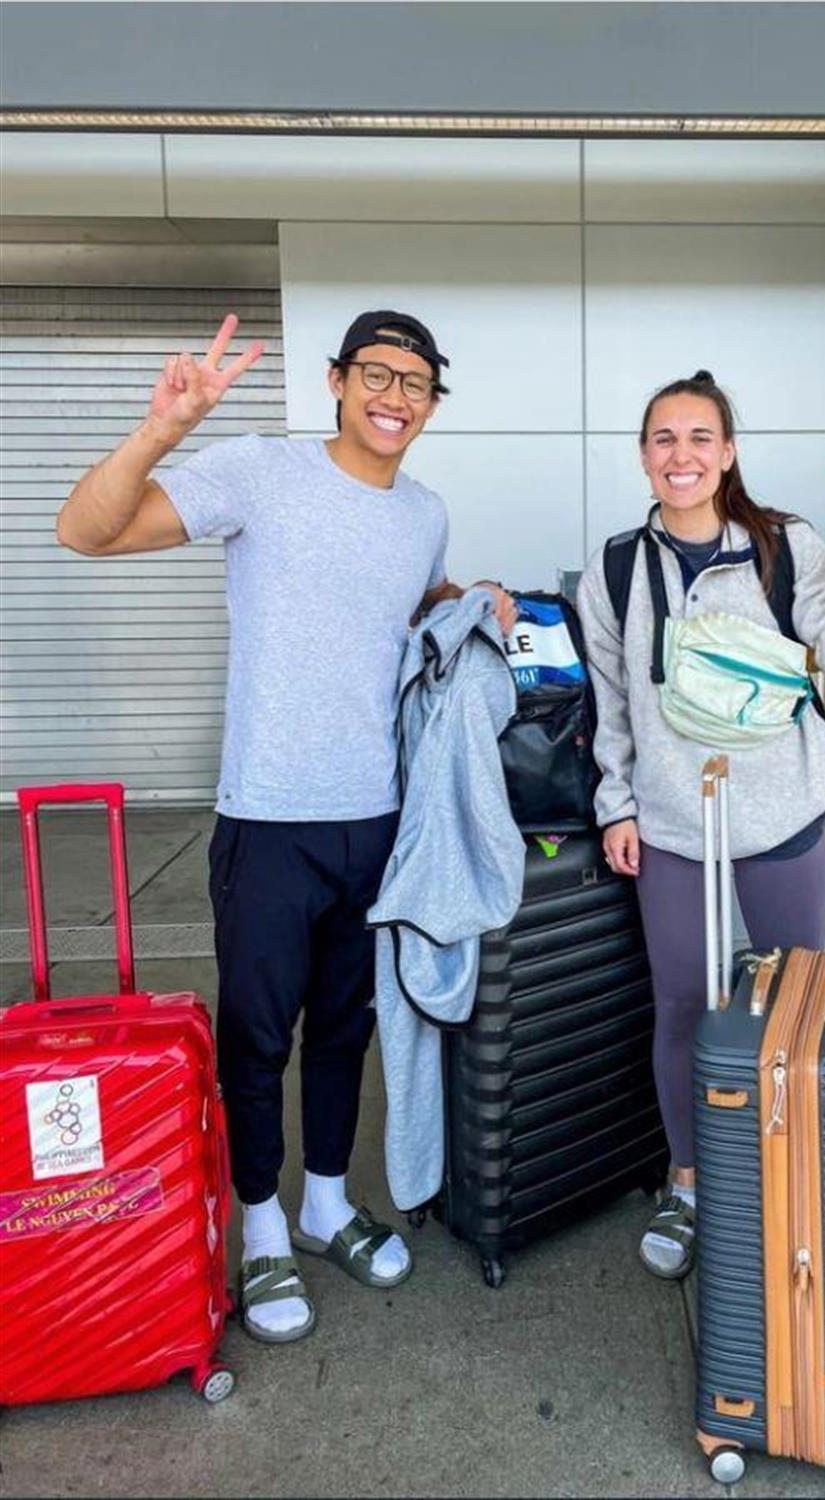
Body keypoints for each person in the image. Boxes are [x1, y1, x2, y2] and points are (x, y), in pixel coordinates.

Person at [56, 309, 516, 1342]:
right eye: (376, 375)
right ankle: (260, 1226)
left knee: (347, 1029)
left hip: (377, 817)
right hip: (268, 817)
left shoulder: (424, 513)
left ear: (432, 405)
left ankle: (325, 1206)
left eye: (415, 384)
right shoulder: (261, 471)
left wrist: (470, 593)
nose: (394, 397)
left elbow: (402, 604)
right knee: (258, 1037)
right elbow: (85, 531)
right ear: (337, 381)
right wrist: (162, 430)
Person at [576, 369, 825, 1280]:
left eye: (699, 438)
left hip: (781, 815)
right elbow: (611, 701)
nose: (680, 455)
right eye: (663, 439)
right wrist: (618, 804)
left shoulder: (783, 545)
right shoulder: (618, 568)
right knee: (683, 1006)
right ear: (643, 456)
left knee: (797, 1008)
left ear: (727, 453)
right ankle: (687, 1184)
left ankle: (791, 1170)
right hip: (673, 826)